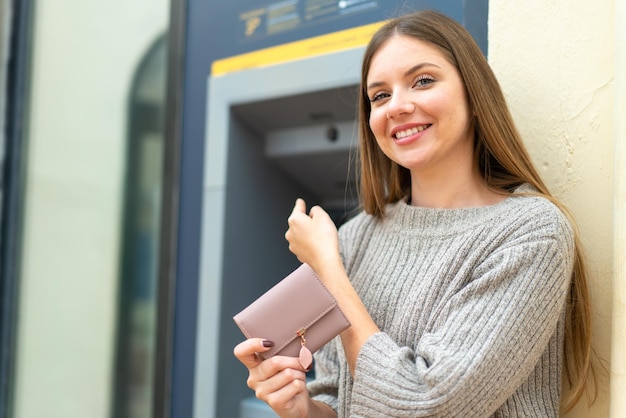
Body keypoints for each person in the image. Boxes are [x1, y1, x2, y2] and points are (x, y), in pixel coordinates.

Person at [234, 9, 595, 417]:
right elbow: (343, 399)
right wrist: (303, 408)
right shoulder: (353, 238)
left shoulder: (529, 234)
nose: (397, 107)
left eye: (422, 81)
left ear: (474, 95)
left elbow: (426, 405)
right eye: (380, 95)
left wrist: (328, 271)